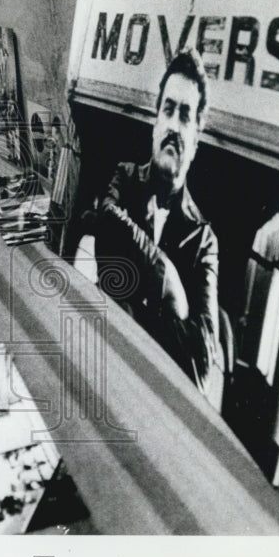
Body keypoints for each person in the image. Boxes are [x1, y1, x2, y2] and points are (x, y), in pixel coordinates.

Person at [93, 49, 220, 394]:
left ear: (196, 135)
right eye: (168, 109)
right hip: (101, 363)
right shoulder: (125, 178)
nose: (174, 126)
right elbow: (106, 217)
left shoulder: (203, 240)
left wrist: (139, 311)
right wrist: (166, 274)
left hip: (155, 392)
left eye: (185, 115)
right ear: (156, 121)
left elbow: (204, 353)